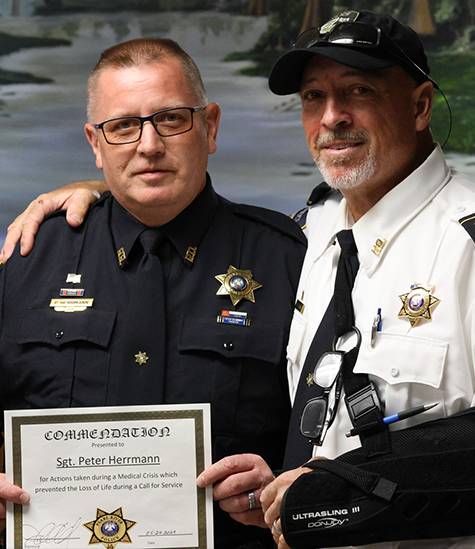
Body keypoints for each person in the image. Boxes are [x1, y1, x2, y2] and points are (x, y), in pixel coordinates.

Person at [3, 10, 475, 548]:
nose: (332, 117)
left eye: (359, 90)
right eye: (313, 97)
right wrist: (100, 193)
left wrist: (334, 493)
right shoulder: (321, 228)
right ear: (96, 142)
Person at [0, 37, 306, 549]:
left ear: (210, 126)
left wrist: (280, 482)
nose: (148, 145)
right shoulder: (28, 258)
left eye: (170, 119)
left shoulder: (292, 259)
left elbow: (333, 440)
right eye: (122, 126)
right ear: (95, 145)